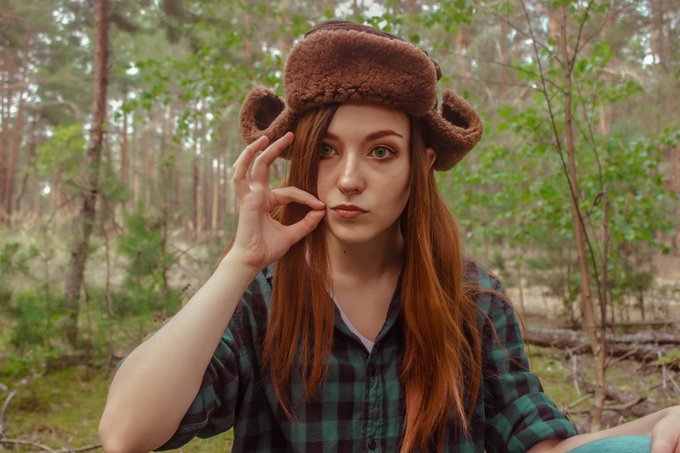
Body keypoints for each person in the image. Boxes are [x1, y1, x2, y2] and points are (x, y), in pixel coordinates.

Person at [98, 21, 679, 453]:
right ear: (301, 161)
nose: (350, 178)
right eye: (327, 150)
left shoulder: (472, 303)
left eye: (381, 151)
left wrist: (661, 425)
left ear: (420, 165)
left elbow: (544, 446)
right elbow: (126, 433)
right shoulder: (262, 301)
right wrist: (239, 261)